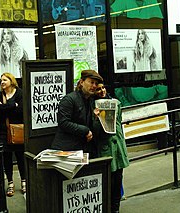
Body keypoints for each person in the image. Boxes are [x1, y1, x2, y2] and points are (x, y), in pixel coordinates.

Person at [93, 82, 129, 213]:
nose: (102, 91)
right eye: (98, 89)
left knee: (118, 179)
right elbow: (95, 131)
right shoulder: (93, 107)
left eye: (103, 87)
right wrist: (96, 118)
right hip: (105, 147)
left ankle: (116, 209)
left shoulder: (116, 103)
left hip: (118, 146)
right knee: (109, 181)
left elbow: (119, 122)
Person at [51, 69, 103, 157]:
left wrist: (95, 118)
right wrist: (85, 131)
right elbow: (63, 122)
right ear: (82, 82)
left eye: (96, 83)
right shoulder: (69, 99)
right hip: (67, 149)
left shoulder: (91, 101)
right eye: (91, 82)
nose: (94, 86)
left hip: (83, 149)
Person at [0, 72, 26, 197]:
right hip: (3, 131)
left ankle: (24, 181)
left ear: (12, 81)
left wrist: (5, 107)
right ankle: (10, 183)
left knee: (20, 157)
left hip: (18, 130)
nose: (2, 82)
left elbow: (21, 110)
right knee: (6, 158)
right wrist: (12, 105)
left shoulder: (20, 93)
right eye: (1, 80)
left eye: (5, 80)